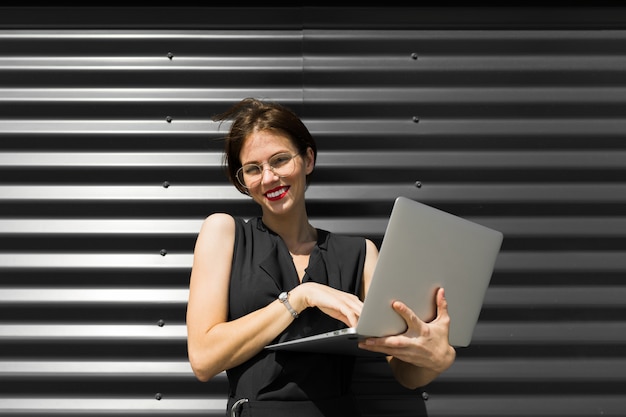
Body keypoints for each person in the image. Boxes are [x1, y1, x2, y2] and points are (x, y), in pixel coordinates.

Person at [186, 97, 456, 417]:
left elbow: (402, 370)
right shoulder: (225, 233)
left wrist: (433, 360)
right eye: (253, 169)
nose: (269, 177)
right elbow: (203, 360)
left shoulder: (360, 254)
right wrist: (300, 297)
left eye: (280, 160)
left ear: (308, 159)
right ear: (243, 181)